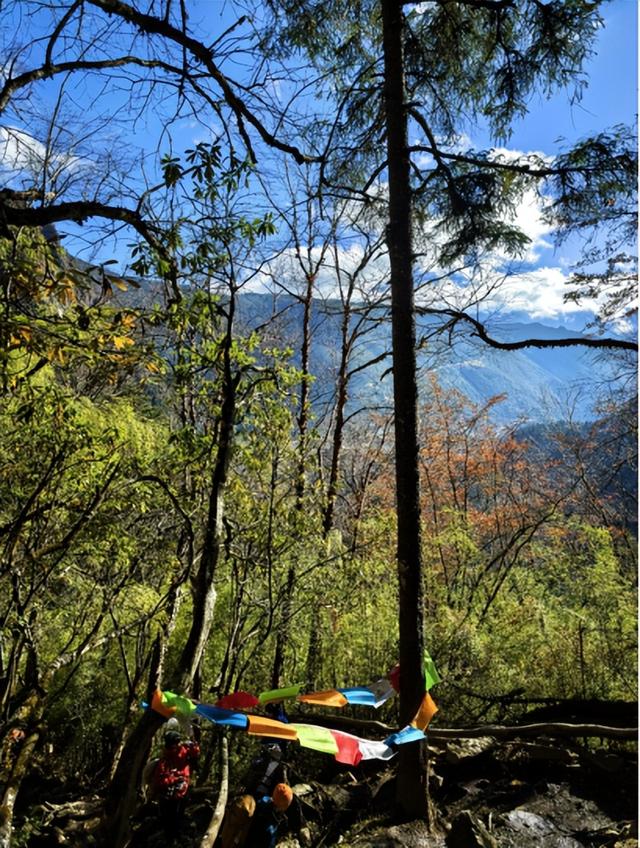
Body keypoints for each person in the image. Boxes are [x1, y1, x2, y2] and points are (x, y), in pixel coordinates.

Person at [152, 729, 200, 839]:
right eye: (176, 742)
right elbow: (159, 781)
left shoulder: (183, 749)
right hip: (170, 795)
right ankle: (170, 836)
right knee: (170, 818)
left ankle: (176, 835)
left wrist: (193, 743)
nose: (178, 744)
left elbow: (195, 752)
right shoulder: (165, 760)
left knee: (179, 815)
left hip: (183, 789)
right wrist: (174, 780)